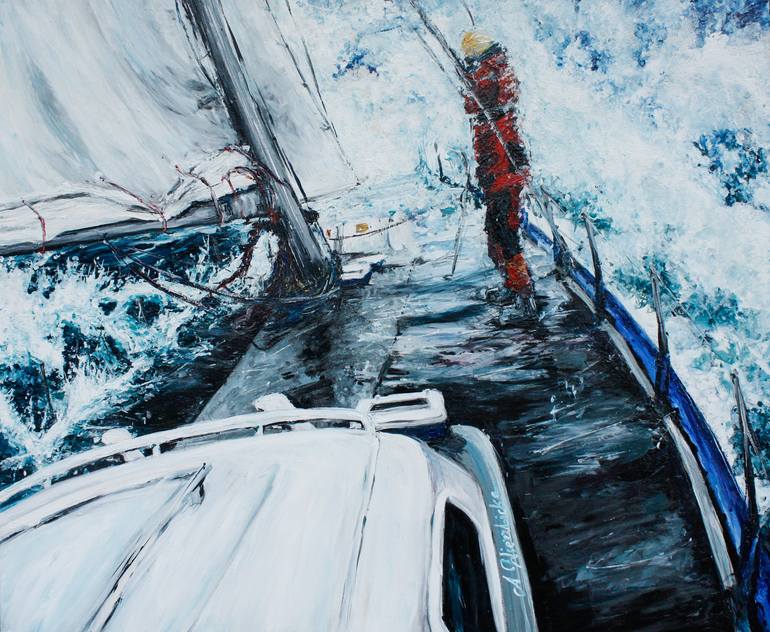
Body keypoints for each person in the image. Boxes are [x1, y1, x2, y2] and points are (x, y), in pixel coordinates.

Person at [461, 30, 533, 298]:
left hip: (502, 172)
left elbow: (472, 103)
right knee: (498, 230)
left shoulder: (489, 74)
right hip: (503, 171)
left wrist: (466, 80)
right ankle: (514, 285)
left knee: (504, 232)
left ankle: (521, 289)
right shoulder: (502, 71)